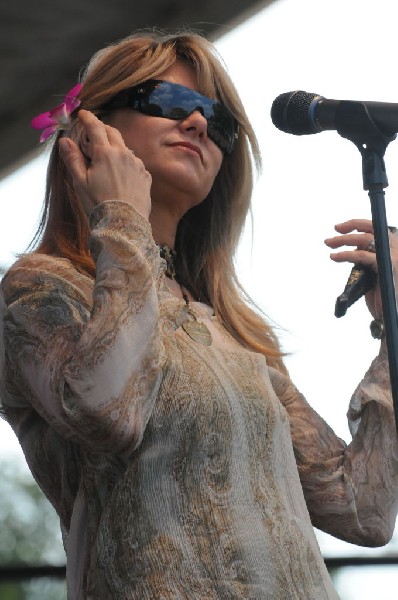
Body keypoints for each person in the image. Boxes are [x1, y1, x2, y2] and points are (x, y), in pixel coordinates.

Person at [0, 30, 398, 600]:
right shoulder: (40, 290)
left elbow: (363, 508)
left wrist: (395, 329)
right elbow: (109, 413)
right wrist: (120, 215)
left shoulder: (229, 334)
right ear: (90, 132)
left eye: (219, 122)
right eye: (166, 101)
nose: (197, 124)